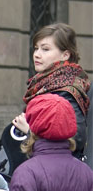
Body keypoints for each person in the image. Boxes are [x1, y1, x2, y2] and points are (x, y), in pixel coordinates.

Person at [11, 23, 89, 160]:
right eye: (36, 49)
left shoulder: (66, 89)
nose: (37, 55)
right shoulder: (45, 83)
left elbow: (76, 139)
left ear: (65, 55)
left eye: (45, 49)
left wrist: (30, 131)